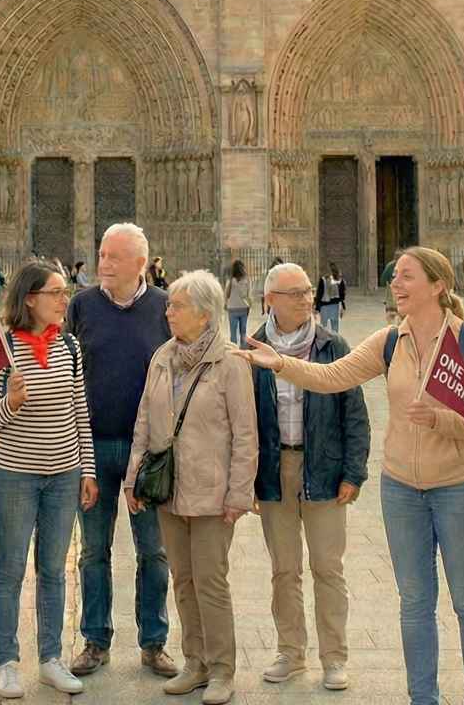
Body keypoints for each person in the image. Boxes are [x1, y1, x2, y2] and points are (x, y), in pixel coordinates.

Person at [236, 246, 464, 705]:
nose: (395, 284)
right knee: (415, 604)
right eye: (394, 277)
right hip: (403, 488)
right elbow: (333, 375)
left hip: (461, 487)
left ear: (438, 285)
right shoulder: (388, 341)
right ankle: (423, 698)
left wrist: (443, 420)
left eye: (406, 276)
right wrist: (280, 363)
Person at [126, 270, 255, 704]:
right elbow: (145, 420)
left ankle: (222, 669)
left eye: (176, 306)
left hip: (212, 494)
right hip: (169, 492)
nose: (168, 311)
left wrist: (239, 493)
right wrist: (133, 478)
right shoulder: (163, 355)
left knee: (210, 582)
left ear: (203, 314)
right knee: (182, 579)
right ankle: (195, 662)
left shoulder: (230, 363)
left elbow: (245, 434)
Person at [0, 262, 96, 699]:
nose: (66, 300)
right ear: (30, 299)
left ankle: (50, 658)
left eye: (65, 292)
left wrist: (89, 470)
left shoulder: (70, 347)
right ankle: (7, 662)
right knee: (9, 569)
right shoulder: (1, 350)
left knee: (53, 571)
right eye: (56, 293)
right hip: (14, 477)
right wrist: (10, 403)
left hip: (63, 475)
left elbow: (80, 411)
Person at [64, 223, 176, 682]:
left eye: (112, 256)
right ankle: (95, 639)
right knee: (93, 550)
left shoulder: (166, 308)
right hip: (91, 450)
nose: (102, 263)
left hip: (146, 453)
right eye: (101, 254)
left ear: (139, 263)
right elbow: (66, 368)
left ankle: (154, 643)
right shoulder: (82, 305)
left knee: (153, 550)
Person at [251, 263, 369, 692]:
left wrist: (353, 472)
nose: (307, 298)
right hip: (274, 469)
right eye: (295, 293)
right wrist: (245, 478)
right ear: (270, 300)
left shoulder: (331, 345)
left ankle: (334, 658)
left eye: (307, 291)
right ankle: (290, 652)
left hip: (323, 466)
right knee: (284, 569)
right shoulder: (254, 347)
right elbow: (242, 418)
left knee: (327, 568)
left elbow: (354, 413)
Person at [223, 260, 250, 348]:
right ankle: (243, 349)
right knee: (243, 331)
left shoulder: (230, 281)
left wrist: (225, 304)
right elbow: (247, 294)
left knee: (233, 332)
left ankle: (234, 349)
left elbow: (226, 294)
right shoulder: (246, 280)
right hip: (243, 308)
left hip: (232, 308)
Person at [314, 263, 347, 333]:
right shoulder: (340, 280)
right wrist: (343, 307)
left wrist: (317, 307)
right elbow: (342, 295)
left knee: (324, 326)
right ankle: (335, 340)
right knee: (335, 327)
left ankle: (324, 341)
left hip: (324, 306)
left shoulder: (323, 279)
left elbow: (319, 294)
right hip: (335, 306)